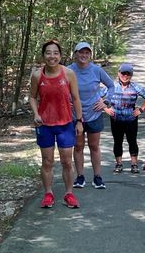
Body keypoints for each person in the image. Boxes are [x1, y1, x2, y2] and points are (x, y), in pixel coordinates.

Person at [29, 40, 84, 209]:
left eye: (55, 53)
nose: (52, 56)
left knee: (67, 161)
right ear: (43, 55)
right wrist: (36, 113)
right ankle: (48, 194)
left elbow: (76, 98)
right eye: (48, 53)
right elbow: (32, 97)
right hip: (44, 125)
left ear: (60, 55)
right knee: (47, 161)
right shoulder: (37, 75)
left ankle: (69, 194)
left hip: (65, 124)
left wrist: (79, 121)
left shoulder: (68, 74)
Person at [68, 41, 114, 190]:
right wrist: (65, 102)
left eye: (87, 52)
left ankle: (97, 177)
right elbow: (61, 89)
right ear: (75, 54)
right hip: (75, 116)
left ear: (90, 55)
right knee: (78, 146)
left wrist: (106, 102)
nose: (84, 55)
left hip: (94, 114)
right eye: (81, 52)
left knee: (94, 146)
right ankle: (80, 177)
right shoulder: (68, 70)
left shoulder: (96, 70)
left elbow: (111, 86)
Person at [102, 62, 145, 174]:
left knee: (132, 141)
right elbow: (97, 97)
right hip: (116, 119)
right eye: (123, 73)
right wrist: (105, 109)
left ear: (131, 75)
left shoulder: (135, 87)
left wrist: (141, 110)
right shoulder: (112, 86)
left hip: (131, 119)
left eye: (128, 74)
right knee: (117, 141)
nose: (125, 76)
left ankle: (134, 164)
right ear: (118, 73)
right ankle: (119, 164)